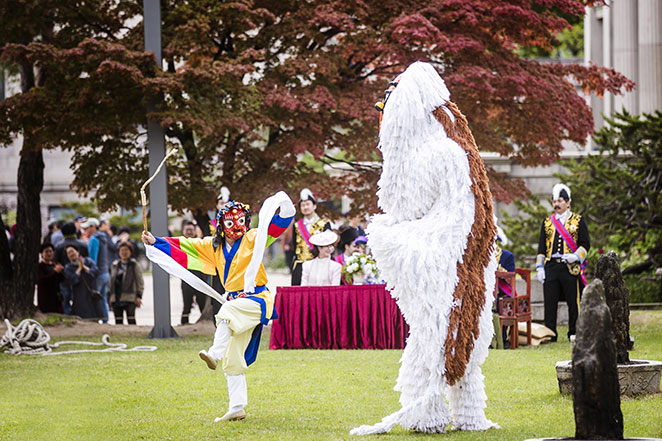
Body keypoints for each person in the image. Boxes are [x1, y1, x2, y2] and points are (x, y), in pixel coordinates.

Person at [142, 192, 294, 422]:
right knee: (233, 358)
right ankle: (237, 407)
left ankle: (213, 352)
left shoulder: (255, 237)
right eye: (230, 222)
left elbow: (280, 223)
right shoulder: (213, 246)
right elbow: (185, 246)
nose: (236, 226)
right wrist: (156, 242)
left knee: (226, 312)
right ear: (221, 224)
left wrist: (281, 202)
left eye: (240, 221)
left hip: (257, 299)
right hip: (234, 300)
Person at [536, 183, 590, 342]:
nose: (556, 204)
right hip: (551, 266)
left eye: (559, 201)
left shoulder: (578, 220)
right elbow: (541, 248)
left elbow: (585, 244)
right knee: (550, 301)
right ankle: (550, 333)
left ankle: (574, 332)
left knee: (573, 301)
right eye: (554, 201)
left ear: (568, 202)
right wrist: (540, 267)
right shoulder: (547, 223)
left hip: (570, 267)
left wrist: (576, 256)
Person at [290, 189, 331, 285]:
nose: (305, 207)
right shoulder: (297, 225)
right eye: (303, 205)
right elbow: (294, 245)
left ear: (314, 206)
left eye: (308, 204)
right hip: (301, 264)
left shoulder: (324, 224)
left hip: (318, 264)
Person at [82, 217, 116, 323]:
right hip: (105, 272)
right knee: (103, 299)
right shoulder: (103, 237)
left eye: (87, 227)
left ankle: (98, 320)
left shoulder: (94, 239)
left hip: (98, 274)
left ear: (93, 227)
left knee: (96, 298)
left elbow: (92, 259)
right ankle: (105, 320)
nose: (85, 230)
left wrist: (90, 271)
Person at [54, 222, 89, 314]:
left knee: (65, 301)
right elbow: (87, 260)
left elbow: (55, 262)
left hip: (64, 278)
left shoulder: (58, 246)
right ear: (75, 231)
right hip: (80, 278)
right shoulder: (83, 245)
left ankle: (67, 318)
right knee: (79, 301)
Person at [63, 245, 104, 321]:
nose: (71, 254)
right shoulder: (68, 267)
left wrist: (85, 267)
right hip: (78, 293)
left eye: (72, 251)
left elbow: (96, 271)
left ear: (78, 252)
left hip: (91, 291)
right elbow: (71, 279)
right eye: (68, 253)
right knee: (81, 313)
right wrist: (79, 270)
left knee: (94, 313)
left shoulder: (88, 261)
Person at [180, 221, 209, 324]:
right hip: (186, 280)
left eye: (191, 230)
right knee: (186, 306)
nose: (189, 232)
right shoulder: (180, 244)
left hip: (201, 279)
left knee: (202, 304)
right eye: (187, 230)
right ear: (183, 232)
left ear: (195, 231)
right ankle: (183, 324)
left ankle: (203, 322)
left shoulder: (200, 244)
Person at [108, 241, 144, 325]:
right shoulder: (114, 265)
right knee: (118, 321)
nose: (124, 252)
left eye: (126, 250)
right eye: (122, 250)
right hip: (116, 298)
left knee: (131, 320)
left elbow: (140, 282)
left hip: (130, 298)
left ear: (130, 251)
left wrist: (139, 296)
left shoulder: (134, 265)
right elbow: (110, 281)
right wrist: (109, 296)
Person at [36, 243, 65, 313]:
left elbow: (62, 279)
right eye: (46, 251)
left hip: (56, 297)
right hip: (45, 297)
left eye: (51, 251)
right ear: (42, 254)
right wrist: (55, 272)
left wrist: (61, 272)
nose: (49, 254)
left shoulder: (54, 265)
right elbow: (42, 280)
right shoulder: (40, 266)